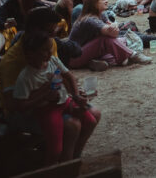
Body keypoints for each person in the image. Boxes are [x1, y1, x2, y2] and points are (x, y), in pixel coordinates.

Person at [13, 31, 99, 165]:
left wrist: (76, 95)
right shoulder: (26, 77)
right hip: (47, 110)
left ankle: (72, 160)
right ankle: (55, 169)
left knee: (90, 121)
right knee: (55, 150)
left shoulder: (52, 61)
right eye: (44, 50)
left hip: (65, 102)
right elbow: (20, 105)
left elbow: (68, 75)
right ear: (30, 53)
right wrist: (44, 95)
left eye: (50, 49)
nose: (49, 53)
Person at [68, 0, 151, 69]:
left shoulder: (102, 15)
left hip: (91, 51)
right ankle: (133, 56)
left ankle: (93, 62)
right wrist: (114, 25)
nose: (107, 1)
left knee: (121, 40)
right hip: (75, 57)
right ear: (94, 4)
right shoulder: (89, 20)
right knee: (105, 39)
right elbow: (111, 34)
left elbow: (115, 34)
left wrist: (114, 26)